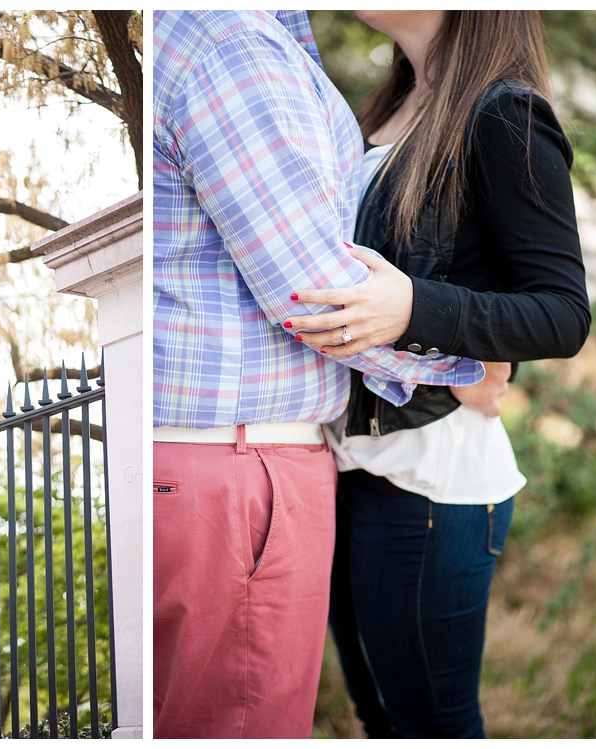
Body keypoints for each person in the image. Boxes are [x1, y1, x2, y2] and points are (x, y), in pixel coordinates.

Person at [152, 10, 496, 740]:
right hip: (245, 465)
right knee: (245, 721)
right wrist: (461, 363)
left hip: (245, 459)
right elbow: (309, 287)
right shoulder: (235, 42)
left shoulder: (236, 35)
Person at [285, 10, 590, 738]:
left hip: (431, 478)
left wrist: (415, 307)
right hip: (350, 465)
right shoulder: (384, 108)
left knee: (431, 724)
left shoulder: (503, 112)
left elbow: (561, 311)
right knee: (380, 716)